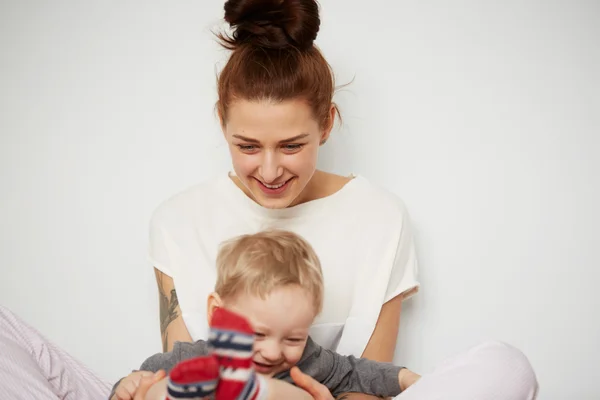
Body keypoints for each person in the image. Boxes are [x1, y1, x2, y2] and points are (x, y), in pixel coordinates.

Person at [0, 0, 539, 398]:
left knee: (506, 366)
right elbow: (182, 370)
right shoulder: (177, 220)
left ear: (327, 124)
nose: (271, 169)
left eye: (293, 145)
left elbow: (361, 382)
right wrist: (135, 388)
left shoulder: (380, 218)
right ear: (222, 124)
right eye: (248, 146)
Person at [111, 230, 418, 400]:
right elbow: (140, 381)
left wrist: (405, 378)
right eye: (257, 334)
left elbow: (356, 372)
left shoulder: (310, 363)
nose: (272, 353)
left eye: (294, 337)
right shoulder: (186, 360)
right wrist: (125, 388)